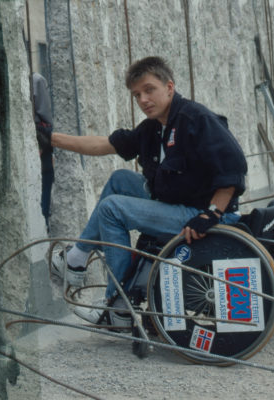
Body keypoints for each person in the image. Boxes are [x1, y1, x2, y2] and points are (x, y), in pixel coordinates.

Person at [45, 56, 247, 325]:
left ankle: (118, 305)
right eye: (137, 95)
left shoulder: (195, 119)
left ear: (169, 87)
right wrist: (50, 139)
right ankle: (78, 257)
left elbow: (233, 167)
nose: (143, 100)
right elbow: (103, 145)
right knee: (120, 180)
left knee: (112, 209)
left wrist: (211, 214)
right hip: (177, 201)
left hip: (199, 213)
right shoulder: (154, 128)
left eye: (149, 90)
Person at [32, 72, 54, 232]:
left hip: (37, 142)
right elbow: (46, 118)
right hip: (40, 144)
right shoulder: (37, 80)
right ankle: (43, 226)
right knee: (44, 186)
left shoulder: (35, 80)